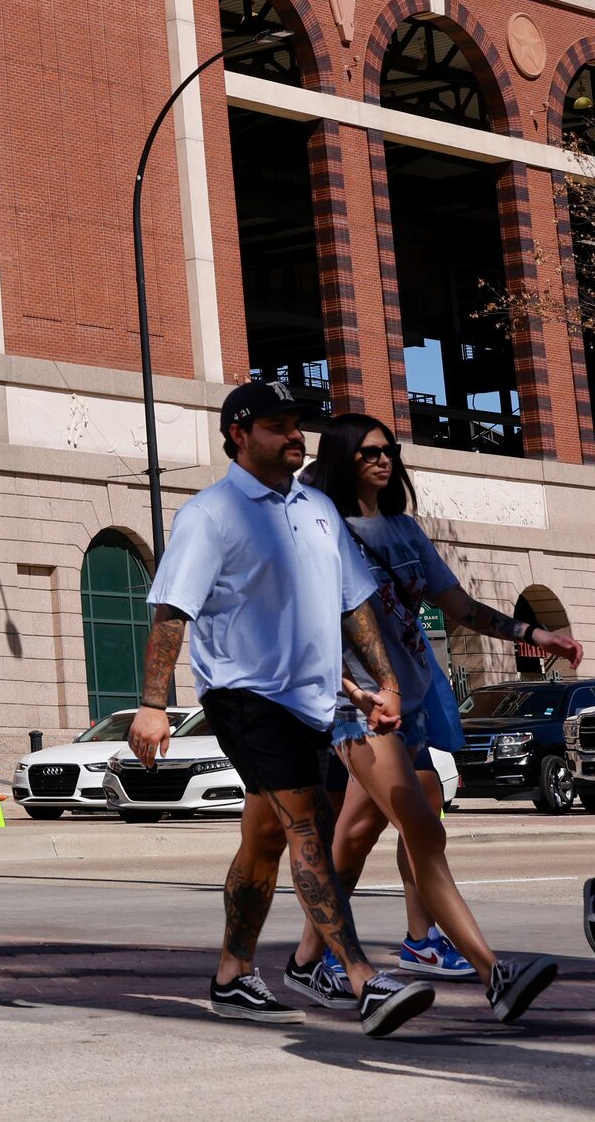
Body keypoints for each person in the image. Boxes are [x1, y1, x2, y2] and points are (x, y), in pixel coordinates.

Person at [130, 381, 430, 1036]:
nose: (295, 435)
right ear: (239, 433)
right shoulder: (210, 515)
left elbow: (354, 603)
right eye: (277, 424)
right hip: (244, 694)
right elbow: (172, 609)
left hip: (315, 701)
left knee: (265, 835)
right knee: (309, 824)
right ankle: (359, 978)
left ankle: (233, 974)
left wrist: (385, 682)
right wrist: (153, 704)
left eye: (298, 424)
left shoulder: (319, 508)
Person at [281, 413, 568, 1022]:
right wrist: (352, 692)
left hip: (407, 702)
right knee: (422, 825)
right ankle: (496, 975)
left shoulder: (405, 530)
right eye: (367, 454)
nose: (382, 462)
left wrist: (534, 633)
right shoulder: (320, 530)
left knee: (354, 840)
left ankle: (308, 962)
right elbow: (304, 628)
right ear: (341, 461)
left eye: (388, 452)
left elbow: (459, 606)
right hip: (358, 708)